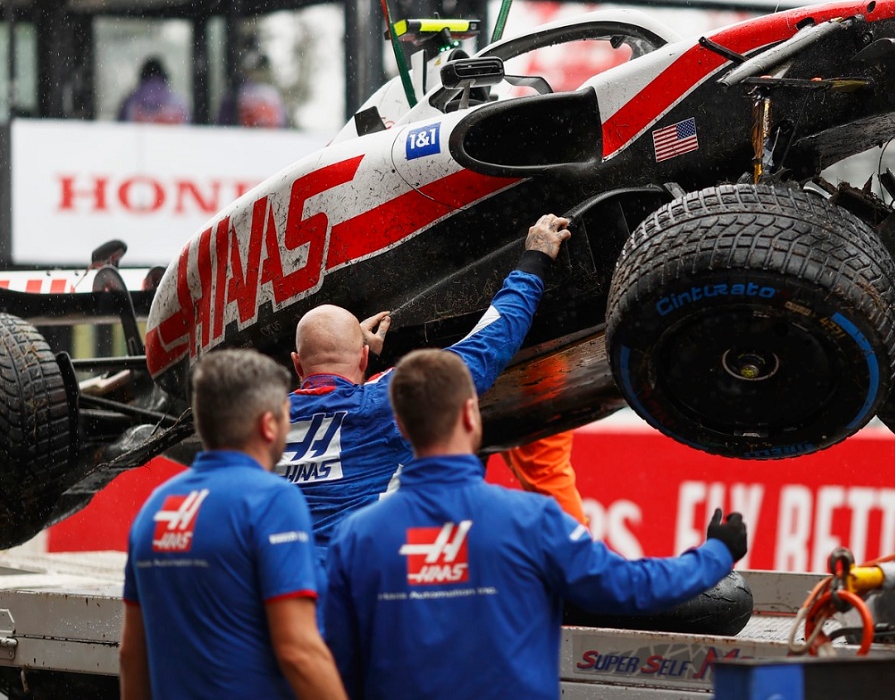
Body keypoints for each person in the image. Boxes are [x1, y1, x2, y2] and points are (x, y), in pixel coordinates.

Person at [324, 348, 747, 700]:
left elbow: (337, 661)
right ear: (472, 415)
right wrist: (716, 554)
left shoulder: (356, 537)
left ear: (399, 425)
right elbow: (629, 588)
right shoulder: (532, 521)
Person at [279, 213, 572, 562]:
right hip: (361, 592)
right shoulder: (387, 401)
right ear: (363, 357)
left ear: (297, 364)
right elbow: (486, 346)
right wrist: (533, 261)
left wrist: (346, 352)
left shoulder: (261, 420)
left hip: (284, 594)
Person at [119, 349, 346, 700]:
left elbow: (132, 657)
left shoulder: (155, 508)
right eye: (286, 417)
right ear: (268, 425)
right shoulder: (272, 500)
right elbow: (299, 652)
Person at [218, 50, 288, 128]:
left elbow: (280, 123)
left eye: (263, 70)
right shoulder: (237, 94)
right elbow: (224, 123)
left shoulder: (273, 95)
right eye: (257, 71)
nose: (260, 75)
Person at [117, 57, 190, 124]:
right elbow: (189, 126)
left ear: (142, 75)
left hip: (140, 137)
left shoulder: (131, 100)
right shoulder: (178, 102)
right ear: (165, 76)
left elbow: (120, 126)